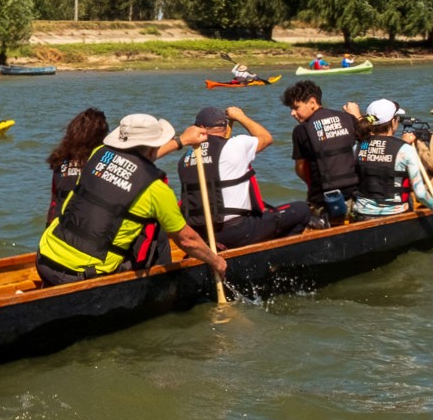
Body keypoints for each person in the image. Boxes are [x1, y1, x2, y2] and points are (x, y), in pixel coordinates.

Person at [37, 114, 228, 285]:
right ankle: (164, 288)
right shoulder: (156, 189)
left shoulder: (98, 155)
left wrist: (181, 141)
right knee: (157, 232)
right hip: (80, 275)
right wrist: (216, 262)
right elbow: (187, 240)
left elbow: (132, 166)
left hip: (44, 258)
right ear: (154, 146)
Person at [175, 106, 308, 248]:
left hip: (201, 233)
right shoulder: (236, 145)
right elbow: (266, 138)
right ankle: (278, 259)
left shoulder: (184, 159)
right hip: (236, 231)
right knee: (301, 210)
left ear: (200, 128)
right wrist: (240, 117)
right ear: (225, 128)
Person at [350, 98, 433, 225]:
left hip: (363, 214)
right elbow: (420, 194)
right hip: (396, 214)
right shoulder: (405, 150)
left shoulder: (357, 148)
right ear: (393, 122)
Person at [282, 79, 361, 223]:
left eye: (296, 107)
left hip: (323, 200)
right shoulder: (347, 118)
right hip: (355, 196)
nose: (292, 113)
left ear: (312, 102)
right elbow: (366, 143)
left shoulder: (301, 131)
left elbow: (300, 169)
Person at [44, 107, 109, 224]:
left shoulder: (60, 160)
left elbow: (53, 202)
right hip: (84, 228)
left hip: (55, 227)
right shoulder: (102, 162)